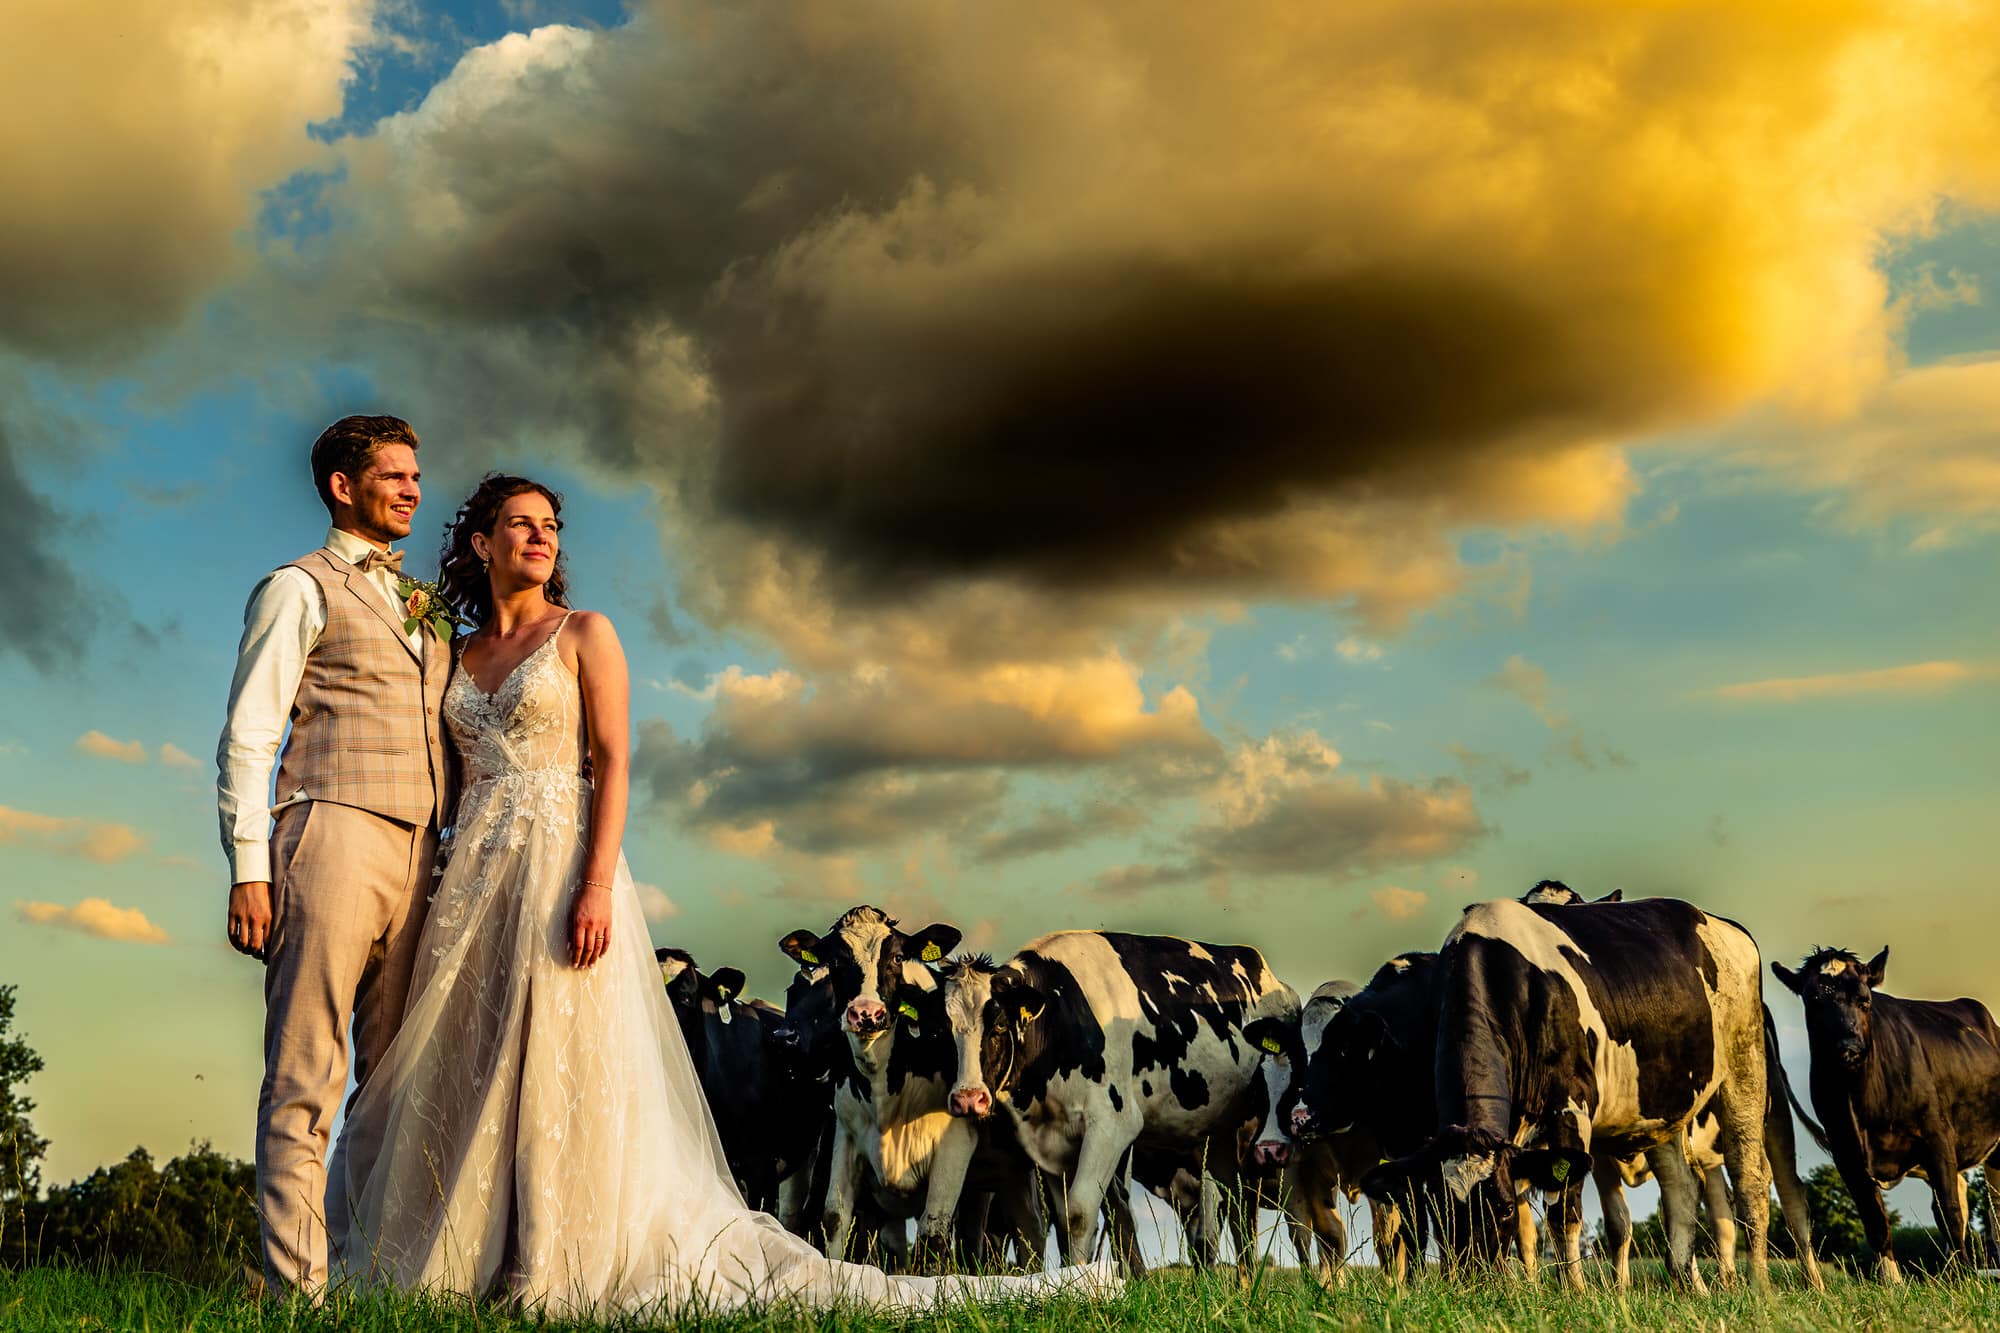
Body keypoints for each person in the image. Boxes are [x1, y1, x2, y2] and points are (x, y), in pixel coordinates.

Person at [335, 473, 1117, 1315]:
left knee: (558, 1065)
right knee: (473, 1063)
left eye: (551, 526)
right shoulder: (456, 652)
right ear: (481, 542)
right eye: (519, 525)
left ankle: (549, 1258)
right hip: (473, 878)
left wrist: (596, 884)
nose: (540, 537)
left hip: (559, 864)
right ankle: (463, 1253)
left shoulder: (585, 634)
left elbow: (615, 764)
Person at [216, 415, 454, 1295]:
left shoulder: (421, 600)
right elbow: (248, 732)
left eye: (417, 475)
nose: (412, 489)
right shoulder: (296, 586)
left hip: (422, 851)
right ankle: (294, 1293)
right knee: (307, 1070)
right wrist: (249, 862)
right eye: (394, 475)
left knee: (392, 1078)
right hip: (331, 829)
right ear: (342, 487)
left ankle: (364, 1276)